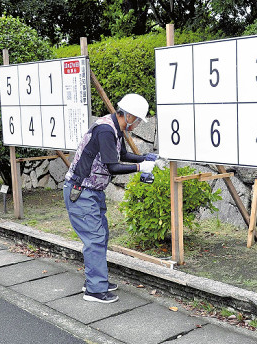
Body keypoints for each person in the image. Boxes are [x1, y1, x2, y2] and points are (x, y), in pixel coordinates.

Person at [64, 93, 160, 303]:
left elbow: (122, 156)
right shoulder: (105, 130)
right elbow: (113, 166)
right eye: (137, 120)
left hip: (93, 191)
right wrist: (140, 167)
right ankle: (95, 291)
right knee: (95, 239)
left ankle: (94, 280)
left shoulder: (115, 128)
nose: (136, 125)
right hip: (81, 191)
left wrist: (146, 157)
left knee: (101, 236)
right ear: (129, 115)